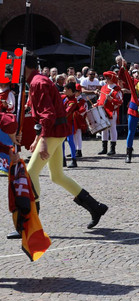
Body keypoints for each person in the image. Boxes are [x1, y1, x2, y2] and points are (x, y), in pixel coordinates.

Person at [7, 51, 108, 238]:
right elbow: (47, 114)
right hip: (55, 132)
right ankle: (95, 207)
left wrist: (43, 140)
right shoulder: (37, 81)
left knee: (31, 173)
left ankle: (30, 224)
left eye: (16, 66)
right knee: (57, 176)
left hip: (53, 132)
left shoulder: (38, 82)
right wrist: (39, 138)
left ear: (24, 67)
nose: (13, 69)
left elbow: (48, 114)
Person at [96, 71, 123, 156]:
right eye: (106, 78)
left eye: (108, 78)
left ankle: (112, 148)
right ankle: (104, 148)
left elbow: (120, 101)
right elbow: (100, 99)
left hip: (112, 111)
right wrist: (96, 104)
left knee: (112, 128)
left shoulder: (117, 89)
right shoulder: (103, 88)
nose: (106, 79)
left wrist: (112, 100)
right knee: (104, 129)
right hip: (103, 110)